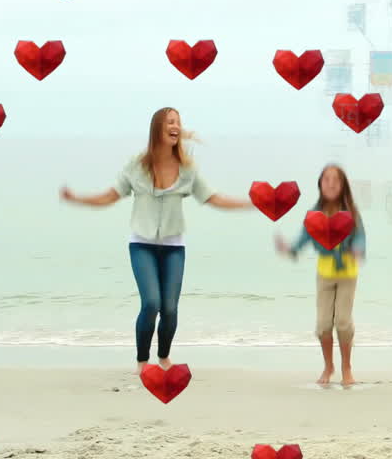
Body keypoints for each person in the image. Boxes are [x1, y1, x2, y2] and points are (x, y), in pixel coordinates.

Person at [60, 107, 253, 374]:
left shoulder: (188, 170)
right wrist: (77, 198)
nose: (176, 126)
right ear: (158, 129)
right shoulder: (136, 166)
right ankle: (142, 362)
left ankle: (163, 358)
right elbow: (109, 196)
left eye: (179, 122)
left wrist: (251, 204)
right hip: (142, 245)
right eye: (170, 122)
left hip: (174, 247)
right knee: (151, 303)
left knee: (170, 309)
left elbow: (214, 198)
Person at [274, 164, 367, 387]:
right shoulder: (314, 215)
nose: (331, 183)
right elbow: (303, 238)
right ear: (320, 185)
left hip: (347, 272)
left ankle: (346, 368)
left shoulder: (352, 213)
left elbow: (360, 237)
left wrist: (357, 249)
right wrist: (290, 248)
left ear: (343, 185)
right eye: (326, 179)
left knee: (343, 322)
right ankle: (328, 366)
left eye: (336, 179)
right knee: (323, 325)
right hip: (324, 273)